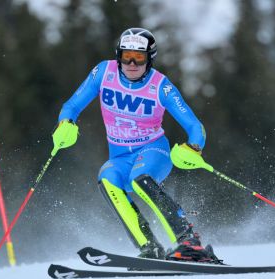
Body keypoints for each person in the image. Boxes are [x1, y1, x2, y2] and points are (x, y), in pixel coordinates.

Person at [52, 27, 219, 263]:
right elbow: (71, 106)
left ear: (149, 59)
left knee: (139, 180)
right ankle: (148, 246)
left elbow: (195, 126)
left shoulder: (161, 86)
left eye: (139, 58)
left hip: (153, 150)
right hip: (120, 156)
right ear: (118, 55)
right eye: (125, 55)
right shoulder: (103, 72)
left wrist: (193, 147)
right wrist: (65, 124)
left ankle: (188, 240)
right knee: (107, 179)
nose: (131, 63)